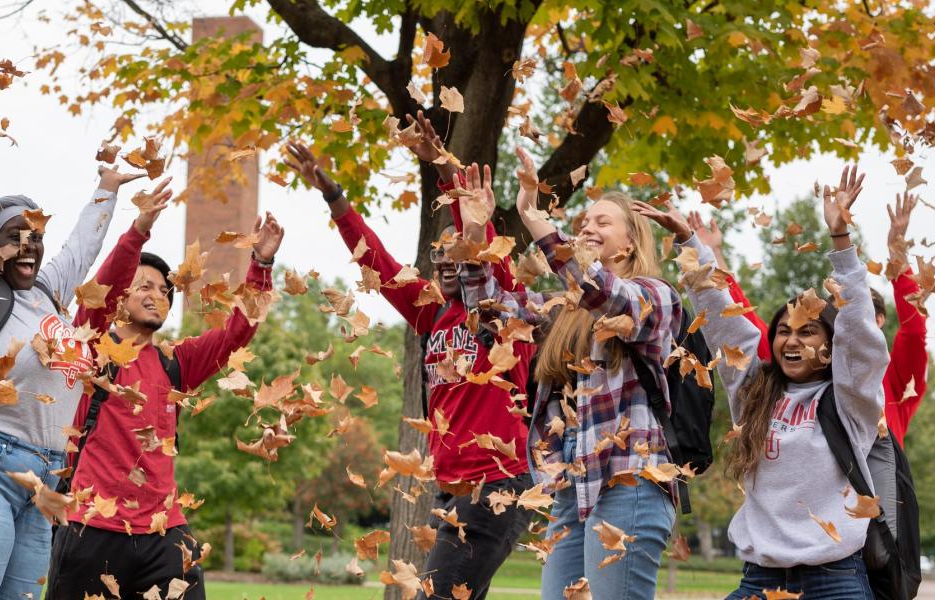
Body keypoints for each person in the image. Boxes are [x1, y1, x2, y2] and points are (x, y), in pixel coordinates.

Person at [0, 39, 143, 599]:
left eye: (34, 238)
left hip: (42, 478)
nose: (27, 247)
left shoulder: (46, 294)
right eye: (13, 236)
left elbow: (79, 251)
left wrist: (106, 190)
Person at [282, 129, 536, 600]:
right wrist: (332, 194)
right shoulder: (432, 313)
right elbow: (373, 259)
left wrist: (444, 167)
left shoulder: (503, 308)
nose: (443, 261)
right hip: (451, 491)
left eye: (455, 254)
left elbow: (480, 239)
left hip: (496, 487)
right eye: (437, 254)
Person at [641, 166, 887, 599]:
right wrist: (690, 244)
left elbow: (862, 337)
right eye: (783, 331)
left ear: (830, 347)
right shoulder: (754, 393)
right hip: (760, 580)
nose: (791, 339)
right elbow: (723, 320)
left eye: (807, 331)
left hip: (835, 582)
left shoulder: (849, 400)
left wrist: (841, 243)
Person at [44, 194, 284, 598]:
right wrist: (138, 231)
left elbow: (236, 333)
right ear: (121, 296)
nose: (158, 294)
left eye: (165, 290)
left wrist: (260, 266)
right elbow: (99, 289)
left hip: (164, 531)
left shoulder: (177, 363)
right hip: (92, 526)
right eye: (144, 286)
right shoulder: (93, 345)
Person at [481, 147, 681, 600]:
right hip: (572, 487)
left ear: (630, 243)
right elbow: (494, 313)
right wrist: (478, 230)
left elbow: (605, 293)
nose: (587, 227)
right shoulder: (565, 307)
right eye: (584, 222)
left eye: (602, 222)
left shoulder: (656, 296)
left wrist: (534, 218)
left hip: (629, 480)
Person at [693, 191, 929, 445]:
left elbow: (914, 331)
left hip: (879, 480)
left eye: (859, 310)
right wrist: (714, 255)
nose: (848, 318)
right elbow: (746, 325)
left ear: (879, 320)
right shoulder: (806, 364)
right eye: (839, 310)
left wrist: (899, 259)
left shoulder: (896, 379)